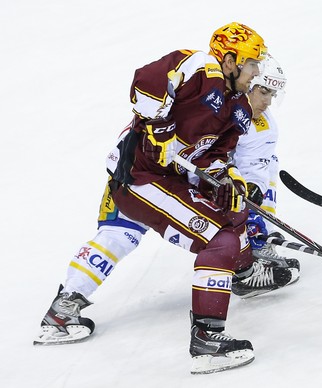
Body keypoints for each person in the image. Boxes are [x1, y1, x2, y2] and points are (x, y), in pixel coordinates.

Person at [34, 22, 292, 374]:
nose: (255, 75)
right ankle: (207, 339)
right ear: (231, 61)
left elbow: (213, 155)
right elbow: (147, 80)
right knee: (136, 236)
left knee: (232, 218)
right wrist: (158, 127)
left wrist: (228, 180)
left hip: (164, 181)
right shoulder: (201, 67)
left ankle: (242, 276)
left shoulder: (237, 111)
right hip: (137, 178)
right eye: (252, 66)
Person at [231, 53, 301, 289]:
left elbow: (254, 168)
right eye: (264, 92)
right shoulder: (219, 99)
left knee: (268, 166)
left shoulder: (264, 126)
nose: (268, 101)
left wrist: (253, 192)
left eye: (272, 95)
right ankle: (248, 253)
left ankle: (258, 244)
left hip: (218, 181)